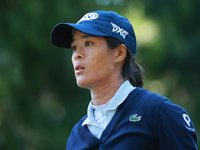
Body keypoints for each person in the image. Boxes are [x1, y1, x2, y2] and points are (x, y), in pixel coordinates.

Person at [50, 10, 198, 150]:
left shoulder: (158, 113)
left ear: (119, 53)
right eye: (74, 47)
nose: (77, 55)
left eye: (88, 43)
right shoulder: (76, 134)